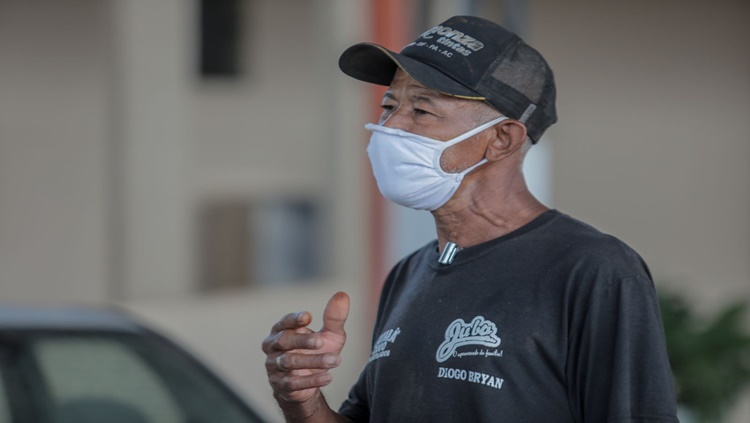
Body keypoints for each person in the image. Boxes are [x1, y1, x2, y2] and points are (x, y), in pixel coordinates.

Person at [262, 16, 678, 422]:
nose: (389, 128)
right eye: (390, 105)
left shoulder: (593, 271)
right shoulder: (409, 273)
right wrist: (301, 399)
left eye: (421, 111)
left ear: (502, 139)